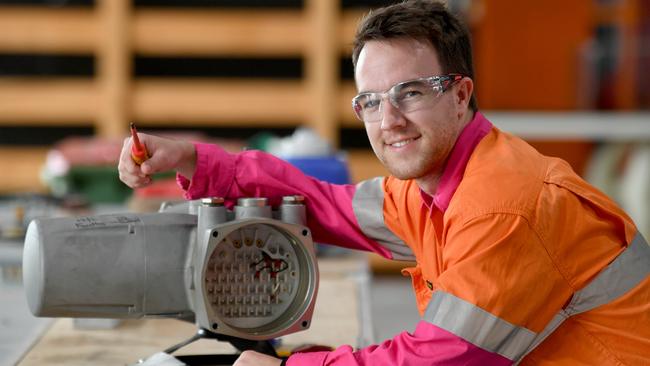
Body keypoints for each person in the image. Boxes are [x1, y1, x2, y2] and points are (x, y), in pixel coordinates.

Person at [119, 1, 650, 365]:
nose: (388, 119)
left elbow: (438, 359)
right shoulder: (439, 185)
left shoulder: (502, 206)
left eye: (412, 92)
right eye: (370, 101)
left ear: (461, 94)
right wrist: (195, 159)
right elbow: (327, 205)